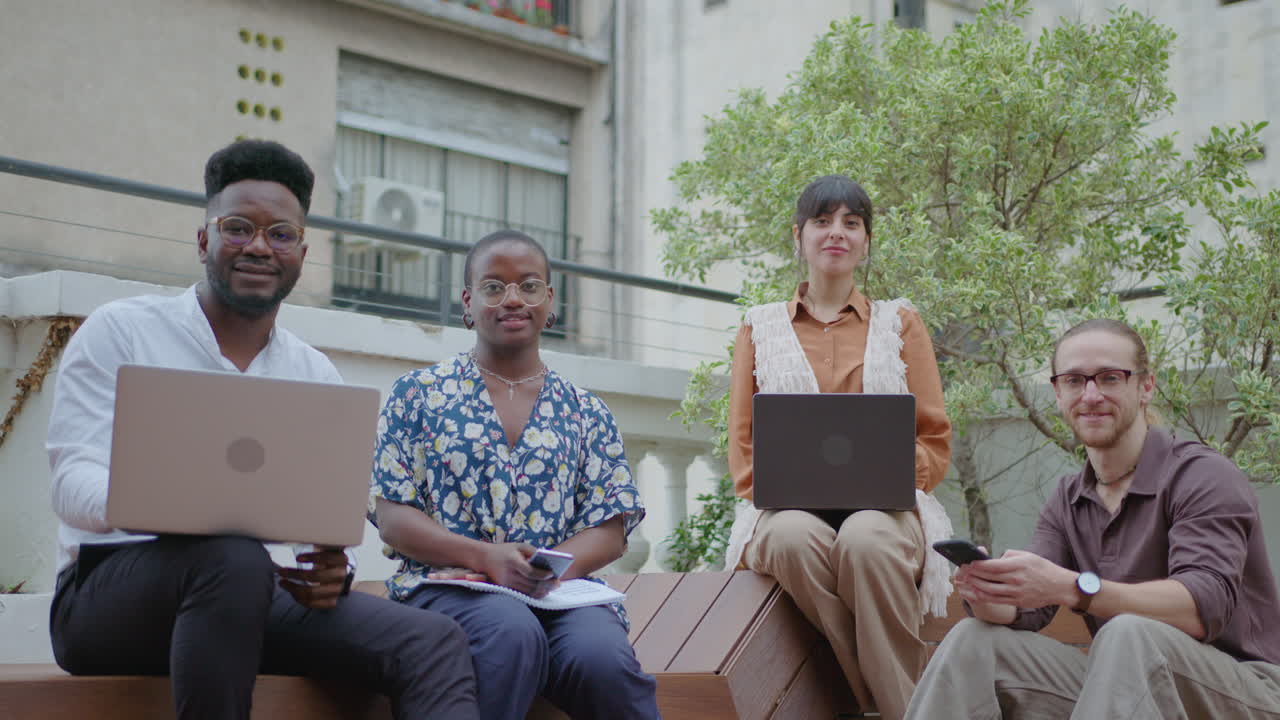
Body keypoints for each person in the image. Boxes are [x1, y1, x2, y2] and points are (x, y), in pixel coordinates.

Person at [46, 139, 480, 720]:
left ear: (301, 252)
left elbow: (322, 525)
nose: (258, 246)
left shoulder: (312, 373)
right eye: (237, 227)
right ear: (204, 239)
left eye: (279, 234)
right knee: (232, 557)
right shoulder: (121, 333)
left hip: (252, 597)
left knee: (433, 642)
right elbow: (70, 481)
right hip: (107, 600)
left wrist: (331, 571)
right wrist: (164, 506)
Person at [905, 318, 1280, 719]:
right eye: (1074, 380)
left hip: (1245, 693)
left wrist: (1074, 588)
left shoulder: (1203, 476)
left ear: (1145, 387)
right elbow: (1028, 612)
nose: (1091, 394)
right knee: (975, 641)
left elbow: (1203, 607)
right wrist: (990, 594)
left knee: (1129, 632)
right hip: (1123, 687)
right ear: (1057, 392)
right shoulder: (1069, 498)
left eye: (1110, 378)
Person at [370, 229, 660, 720]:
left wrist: (538, 572)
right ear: (467, 301)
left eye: (528, 286)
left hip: (559, 594)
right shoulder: (416, 395)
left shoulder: (585, 410)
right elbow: (394, 517)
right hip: (447, 586)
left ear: (550, 301)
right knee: (509, 631)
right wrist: (487, 558)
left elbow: (610, 529)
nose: (512, 300)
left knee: (601, 659)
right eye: (493, 287)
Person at [722, 174, 953, 720]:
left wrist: (890, 472)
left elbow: (934, 438)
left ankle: (870, 706)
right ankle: (898, 704)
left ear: (866, 241)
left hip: (890, 512)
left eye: (852, 223)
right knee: (791, 536)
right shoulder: (759, 328)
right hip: (786, 512)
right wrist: (782, 485)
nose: (837, 233)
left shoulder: (901, 324)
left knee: (866, 537)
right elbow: (744, 446)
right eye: (823, 221)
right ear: (798, 236)